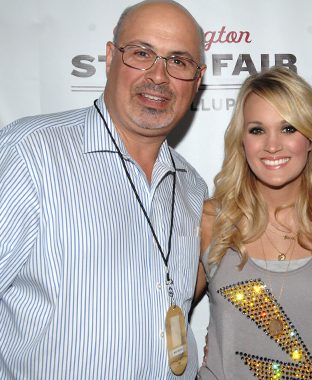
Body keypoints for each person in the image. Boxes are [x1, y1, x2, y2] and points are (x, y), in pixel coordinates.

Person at [0, 1, 207, 378]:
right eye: (142, 53)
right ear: (111, 59)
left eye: (178, 62)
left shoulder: (192, 186)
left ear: (197, 80)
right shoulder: (31, 152)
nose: (158, 76)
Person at [194, 67, 312, 379]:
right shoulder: (211, 221)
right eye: (257, 130)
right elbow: (163, 313)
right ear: (241, 140)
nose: (272, 145)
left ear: (311, 138)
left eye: (289, 128)